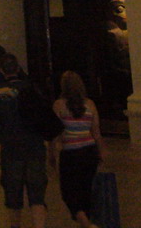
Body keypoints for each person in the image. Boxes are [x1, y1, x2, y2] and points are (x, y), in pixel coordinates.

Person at [0, 54, 48, 228]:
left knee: (13, 194)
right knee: (37, 195)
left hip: (11, 149)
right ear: (18, 68)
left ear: (1, 71)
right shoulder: (33, 88)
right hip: (35, 146)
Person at [50, 71, 104, 228]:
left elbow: (56, 135)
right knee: (85, 190)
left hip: (71, 153)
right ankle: (86, 222)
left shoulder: (59, 105)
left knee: (68, 191)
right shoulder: (90, 104)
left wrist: (52, 155)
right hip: (89, 151)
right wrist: (101, 152)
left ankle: (86, 224)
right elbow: (96, 132)